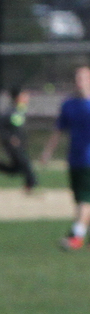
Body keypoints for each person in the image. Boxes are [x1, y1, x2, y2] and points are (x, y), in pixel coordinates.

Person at [40, 64, 90, 249]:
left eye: (84, 78)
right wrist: (47, 152)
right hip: (74, 159)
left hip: (89, 160)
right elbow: (58, 130)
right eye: (77, 78)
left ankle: (76, 236)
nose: (80, 82)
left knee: (85, 199)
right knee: (80, 199)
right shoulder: (69, 105)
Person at [0, 86, 36, 193]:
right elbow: (1, 128)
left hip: (20, 144)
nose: (27, 97)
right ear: (17, 97)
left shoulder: (20, 110)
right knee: (26, 165)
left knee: (17, 168)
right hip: (13, 144)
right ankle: (31, 185)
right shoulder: (10, 112)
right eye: (24, 95)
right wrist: (9, 138)